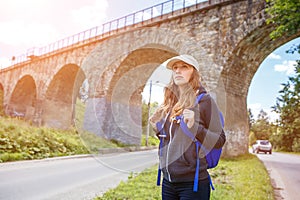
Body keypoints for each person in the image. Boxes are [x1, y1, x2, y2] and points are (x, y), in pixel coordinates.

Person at [150, 54, 226, 200]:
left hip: (193, 184)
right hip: (168, 182)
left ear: (194, 72)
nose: (178, 71)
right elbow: (173, 140)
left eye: (184, 67)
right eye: (175, 68)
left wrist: (195, 127)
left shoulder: (205, 101)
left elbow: (220, 140)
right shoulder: (169, 103)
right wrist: (158, 129)